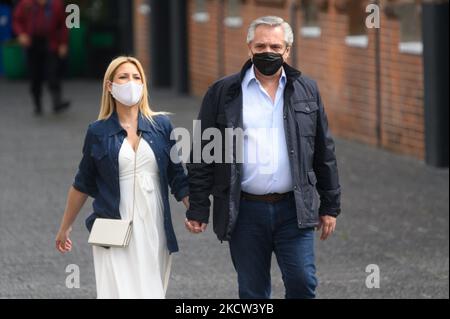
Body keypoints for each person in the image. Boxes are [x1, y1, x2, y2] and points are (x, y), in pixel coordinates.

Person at [185, 16, 341, 299]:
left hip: (294, 209)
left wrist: (330, 204)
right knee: (253, 292)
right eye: (261, 45)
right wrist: (198, 207)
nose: (268, 51)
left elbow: (323, 151)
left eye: (275, 45)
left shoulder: (307, 90)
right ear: (249, 48)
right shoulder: (223, 92)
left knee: (303, 283)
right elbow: (202, 154)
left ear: (287, 50)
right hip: (245, 211)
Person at [55, 56, 189, 299]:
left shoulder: (161, 126)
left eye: (137, 77)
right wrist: (65, 227)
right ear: (110, 86)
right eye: (123, 77)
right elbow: (82, 183)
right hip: (113, 227)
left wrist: (195, 211)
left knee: (151, 292)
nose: (131, 82)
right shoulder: (98, 131)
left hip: (154, 225)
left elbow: (177, 176)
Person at [13, 0, 70, 116]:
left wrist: (63, 43)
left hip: (50, 43)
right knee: (35, 76)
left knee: (53, 72)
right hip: (32, 44)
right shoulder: (26, 4)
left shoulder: (56, 5)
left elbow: (63, 25)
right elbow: (17, 20)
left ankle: (56, 102)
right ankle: (37, 104)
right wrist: (21, 34)